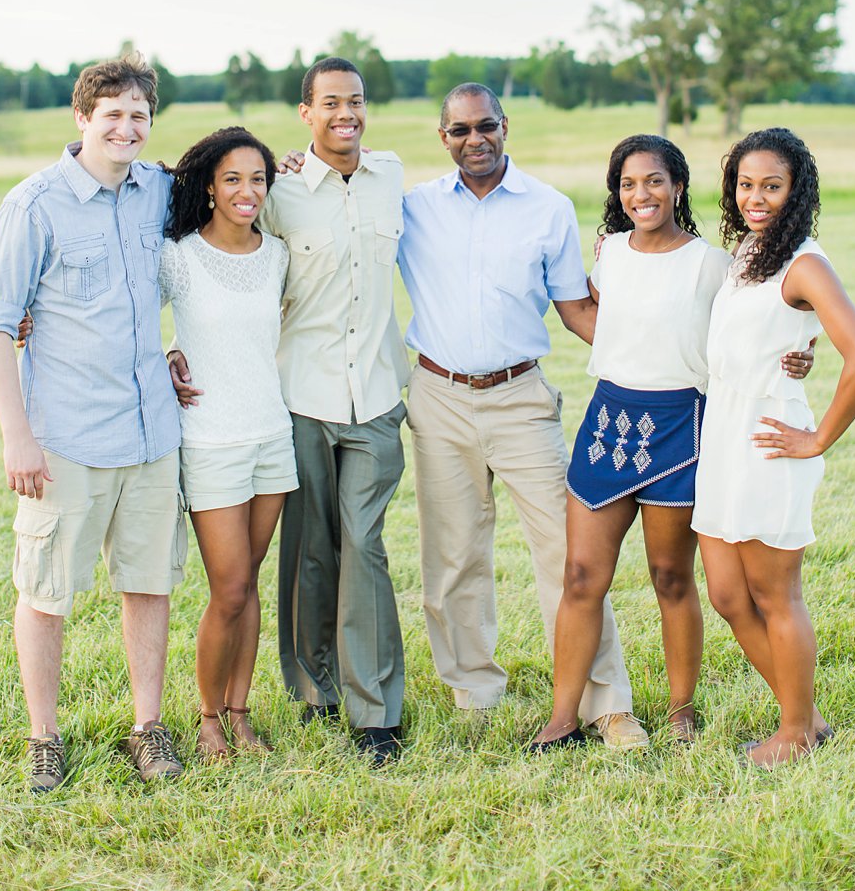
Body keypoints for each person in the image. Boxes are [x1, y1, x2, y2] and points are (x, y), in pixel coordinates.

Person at [530, 135, 813, 752]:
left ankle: (682, 710)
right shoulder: (609, 256)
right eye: (629, 185)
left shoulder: (713, 262)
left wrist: (800, 355)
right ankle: (562, 717)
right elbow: (609, 319)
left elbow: (758, 323)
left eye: (654, 181)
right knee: (581, 576)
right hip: (609, 421)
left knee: (671, 577)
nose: (642, 195)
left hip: (681, 427)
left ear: (678, 186)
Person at [394, 85, 644, 750]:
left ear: (506, 126)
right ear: (441, 136)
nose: (474, 140)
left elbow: (576, 310)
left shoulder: (548, 208)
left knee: (570, 554)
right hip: (439, 395)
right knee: (452, 555)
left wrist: (669, 345)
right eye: (459, 130)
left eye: (485, 126)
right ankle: (474, 689)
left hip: (520, 396)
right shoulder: (412, 207)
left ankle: (606, 703)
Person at [0, 53, 187, 789]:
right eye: (113, 115)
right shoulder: (34, 205)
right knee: (45, 591)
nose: (126, 128)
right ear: (82, 119)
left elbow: (238, 187)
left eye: (138, 116)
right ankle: (43, 736)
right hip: (64, 437)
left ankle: (148, 727)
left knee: (149, 580)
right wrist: (16, 434)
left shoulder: (158, 189)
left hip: (153, 432)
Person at [692, 127, 855, 766]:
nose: (756, 197)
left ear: (795, 191)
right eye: (746, 185)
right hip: (722, 439)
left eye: (771, 186)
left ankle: (796, 732)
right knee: (725, 594)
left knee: (777, 595)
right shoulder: (750, 253)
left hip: (771, 441)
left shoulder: (804, 262)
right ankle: (807, 717)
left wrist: (818, 438)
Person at [257, 57, 408, 765]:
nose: (345, 113)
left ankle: (373, 707)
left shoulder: (394, 176)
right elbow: (230, 261)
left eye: (355, 101)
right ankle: (312, 688)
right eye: (330, 103)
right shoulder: (279, 191)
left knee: (365, 546)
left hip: (376, 396)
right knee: (311, 549)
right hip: (303, 397)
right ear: (305, 111)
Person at [158, 126, 296, 763]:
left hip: (272, 433)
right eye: (233, 179)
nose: (247, 191)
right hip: (211, 440)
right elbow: (133, 316)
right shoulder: (179, 256)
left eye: (258, 180)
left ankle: (240, 712)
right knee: (231, 587)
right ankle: (208, 716)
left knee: (253, 583)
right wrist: (164, 357)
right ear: (210, 187)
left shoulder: (277, 255)